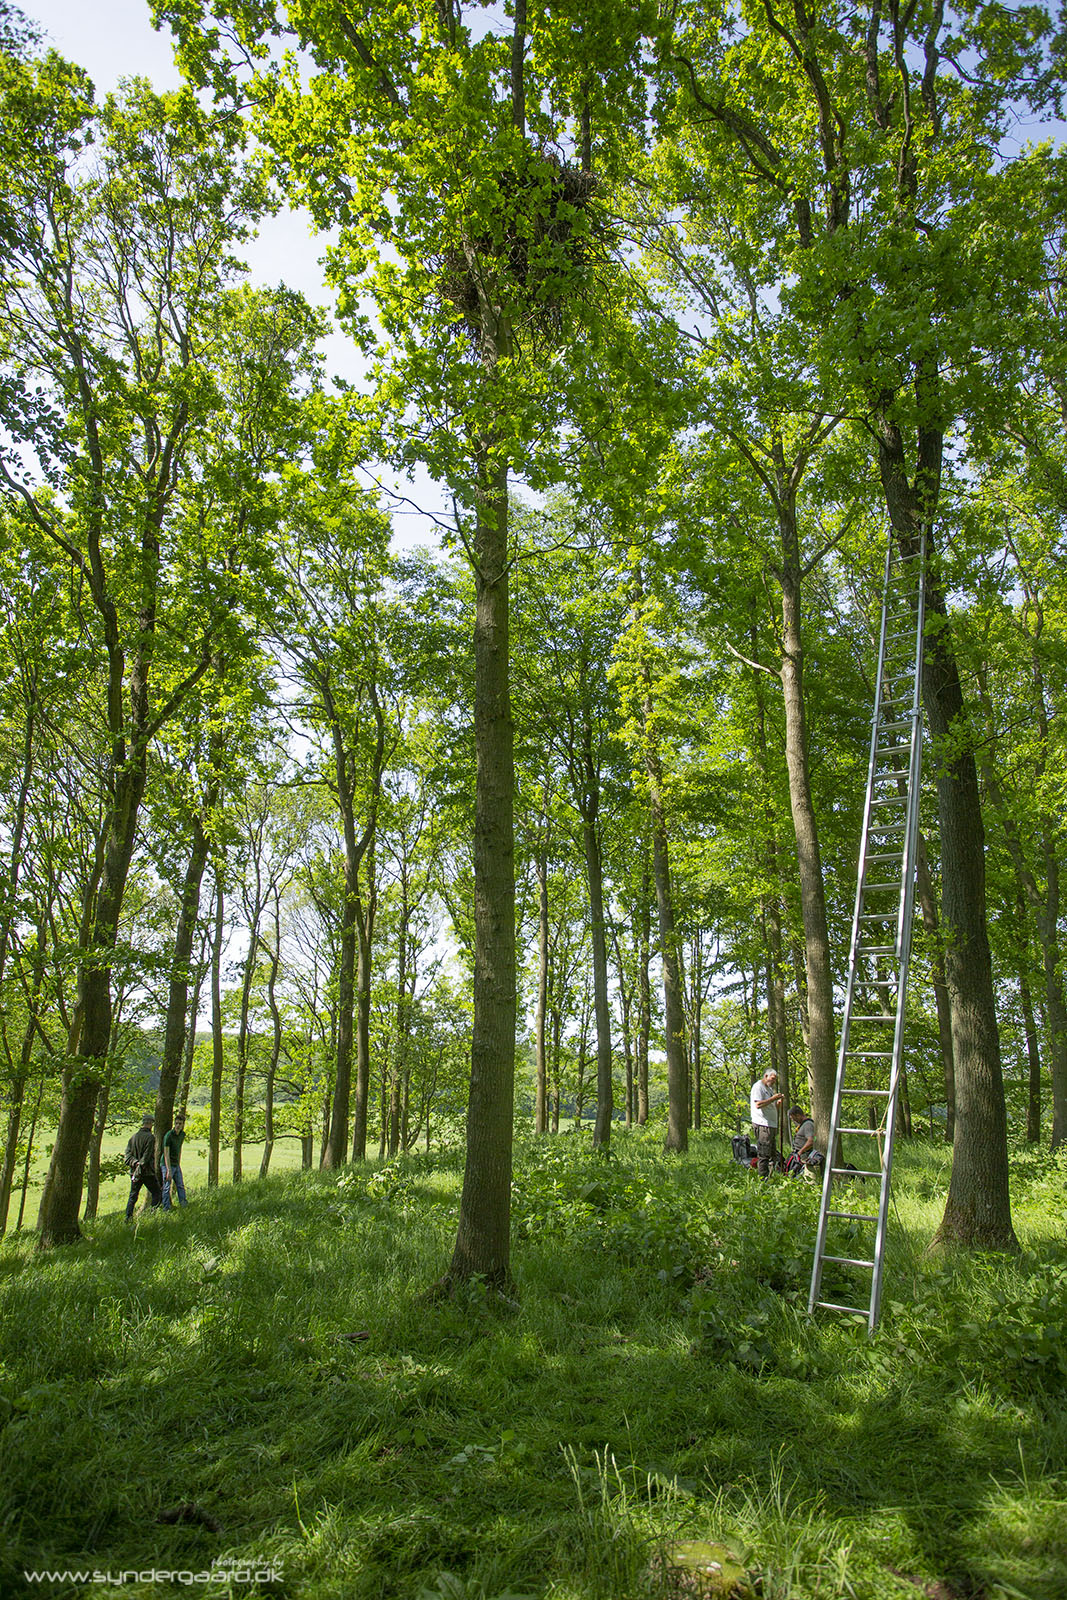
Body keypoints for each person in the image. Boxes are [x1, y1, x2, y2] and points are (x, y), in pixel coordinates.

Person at [124, 1113, 162, 1219]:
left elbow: (127, 1156)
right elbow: (146, 1157)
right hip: (147, 1173)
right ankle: (152, 1215)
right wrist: (140, 1166)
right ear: (150, 1124)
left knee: (133, 1196)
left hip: (134, 1172)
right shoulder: (150, 1138)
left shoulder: (133, 1137)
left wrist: (135, 1163)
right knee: (157, 1193)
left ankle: (128, 1217)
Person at [749, 1067, 783, 1178]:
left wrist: (777, 1103)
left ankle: (771, 1177)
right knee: (764, 1153)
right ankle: (762, 1179)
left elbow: (771, 1107)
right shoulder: (758, 1087)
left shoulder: (769, 1089)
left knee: (772, 1153)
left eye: (775, 1080)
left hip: (771, 1124)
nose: (773, 1082)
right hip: (762, 1124)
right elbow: (758, 1105)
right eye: (772, 1079)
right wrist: (773, 1099)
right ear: (766, 1076)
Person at [161, 1112, 187, 1210]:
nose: (178, 1125)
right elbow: (166, 1153)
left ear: (183, 1124)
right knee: (167, 1186)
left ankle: (184, 1205)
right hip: (167, 1164)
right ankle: (166, 1208)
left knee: (180, 1185)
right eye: (176, 1123)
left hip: (176, 1164)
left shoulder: (182, 1135)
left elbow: (179, 1149)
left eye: (180, 1124)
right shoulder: (168, 1135)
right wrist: (168, 1170)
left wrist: (178, 1163)